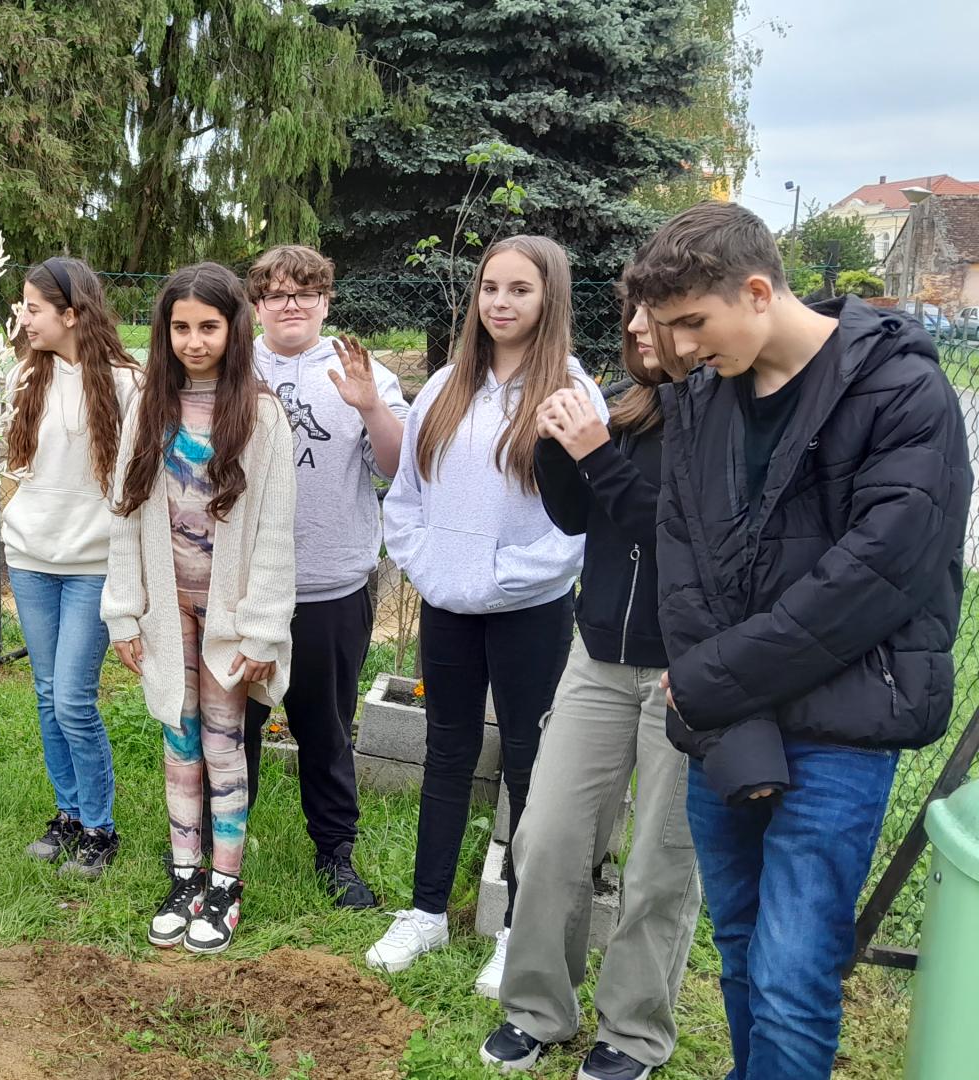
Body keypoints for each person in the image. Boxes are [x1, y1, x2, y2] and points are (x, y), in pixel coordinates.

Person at [630, 201, 970, 1079]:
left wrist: (711, 684)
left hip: (842, 728)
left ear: (756, 291)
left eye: (692, 323)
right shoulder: (702, 399)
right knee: (742, 947)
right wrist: (730, 715)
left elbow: (875, 579)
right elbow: (683, 568)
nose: (680, 348)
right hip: (729, 720)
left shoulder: (903, 390)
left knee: (791, 975)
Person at [369, 236, 605, 986]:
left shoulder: (571, 394)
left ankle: (517, 929)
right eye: (490, 288)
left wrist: (502, 575)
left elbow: (581, 524)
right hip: (447, 603)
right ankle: (427, 913)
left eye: (519, 290)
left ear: (549, 298)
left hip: (528, 609)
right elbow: (406, 494)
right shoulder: (446, 386)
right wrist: (432, 565)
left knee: (531, 762)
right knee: (447, 750)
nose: (500, 303)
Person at [479, 290, 698, 1080]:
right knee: (546, 837)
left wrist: (597, 451)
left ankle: (633, 1032)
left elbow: (680, 537)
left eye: (652, 313)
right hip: (599, 656)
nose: (634, 327)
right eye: (630, 312)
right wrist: (551, 445)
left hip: (689, 671)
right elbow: (578, 518)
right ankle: (538, 1008)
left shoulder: (727, 422)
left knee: (660, 864)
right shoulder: (627, 411)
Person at [103, 262, 296, 954]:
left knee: (222, 742)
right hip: (167, 608)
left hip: (228, 616)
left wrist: (262, 631)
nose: (193, 341)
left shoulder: (262, 417)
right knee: (177, 738)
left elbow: (274, 533)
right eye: (180, 327)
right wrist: (124, 611)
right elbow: (124, 517)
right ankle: (184, 875)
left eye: (208, 326)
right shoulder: (147, 408)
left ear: (234, 328)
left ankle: (225, 884)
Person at [242, 244, 408, 909]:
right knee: (235, 727)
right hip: (244, 589)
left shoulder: (360, 371)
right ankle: (224, 847)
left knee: (326, 730)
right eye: (277, 294)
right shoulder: (234, 365)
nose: (291, 305)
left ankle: (335, 855)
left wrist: (370, 408)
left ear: (325, 301)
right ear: (257, 304)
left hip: (331, 587)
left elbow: (396, 467)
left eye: (305, 293)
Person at [2, 258, 140, 878]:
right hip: (30, 558)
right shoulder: (23, 377)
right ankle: (68, 814)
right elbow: (5, 461)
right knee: (46, 694)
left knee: (74, 701)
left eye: (34, 308)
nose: (25, 319)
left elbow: (136, 481)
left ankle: (99, 828)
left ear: (72, 313)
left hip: (92, 565)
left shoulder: (127, 384)